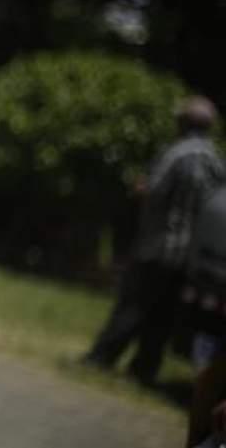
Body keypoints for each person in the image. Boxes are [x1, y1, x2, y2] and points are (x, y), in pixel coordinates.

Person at [84, 96, 226, 384]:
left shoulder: (174, 154)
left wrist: (141, 189)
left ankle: (101, 357)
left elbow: (155, 191)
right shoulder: (215, 160)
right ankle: (144, 369)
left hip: (158, 246)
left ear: (183, 123)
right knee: (164, 315)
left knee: (133, 304)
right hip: (191, 256)